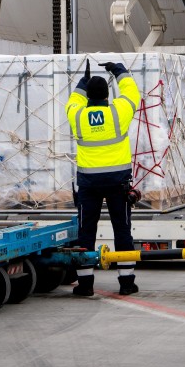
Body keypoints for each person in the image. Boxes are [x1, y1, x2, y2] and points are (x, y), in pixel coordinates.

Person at [67, 60, 141, 296]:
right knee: (122, 230)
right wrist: (117, 69)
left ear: (88, 95)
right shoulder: (118, 112)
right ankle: (127, 283)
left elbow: (73, 101)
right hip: (117, 183)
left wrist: (82, 82)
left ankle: (86, 285)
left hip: (89, 185)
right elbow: (132, 93)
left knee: (86, 232)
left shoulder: (77, 116)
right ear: (108, 94)